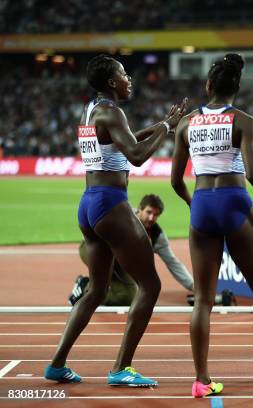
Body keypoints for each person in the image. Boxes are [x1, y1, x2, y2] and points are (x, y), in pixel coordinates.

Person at [45, 54, 187, 387]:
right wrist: (167, 128)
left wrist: (160, 123)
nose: (129, 79)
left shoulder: (92, 110)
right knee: (150, 286)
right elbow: (136, 156)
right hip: (111, 204)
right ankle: (121, 367)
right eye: (124, 74)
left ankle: (56, 364)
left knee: (96, 290)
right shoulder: (112, 112)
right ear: (111, 82)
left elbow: (122, 140)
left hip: (88, 205)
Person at [171, 54, 253, 398]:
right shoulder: (243, 120)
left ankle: (201, 379)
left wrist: (195, 205)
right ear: (237, 88)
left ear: (208, 85)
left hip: (202, 203)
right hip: (234, 201)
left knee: (202, 299)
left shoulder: (186, 123)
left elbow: (175, 181)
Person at [70, 194, 194, 306]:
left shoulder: (157, 236)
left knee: (128, 297)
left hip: (119, 261)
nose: (151, 218)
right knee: (101, 284)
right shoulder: (123, 218)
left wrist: (192, 285)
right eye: (149, 212)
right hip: (93, 248)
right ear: (140, 209)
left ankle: (85, 286)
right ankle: (89, 288)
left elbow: (173, 262)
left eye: (156, 215)